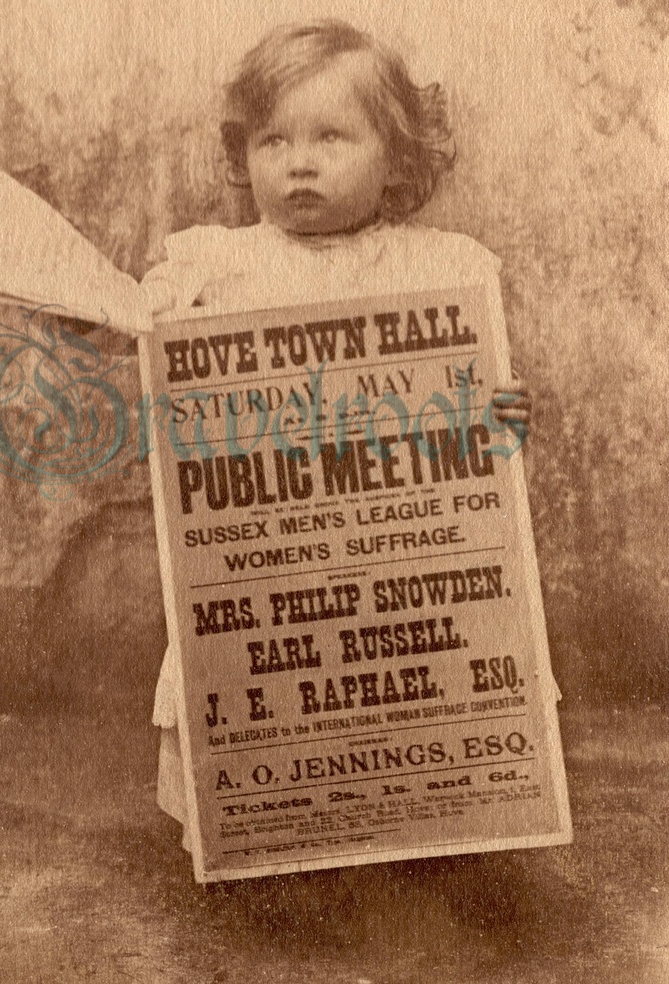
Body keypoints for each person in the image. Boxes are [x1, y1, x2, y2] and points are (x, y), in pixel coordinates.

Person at [139, 18, 532, 848]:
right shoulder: (212, 263)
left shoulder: (446, 268)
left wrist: (502, 418)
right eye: (271, 139)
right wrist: (140, 319)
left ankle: (415, 832)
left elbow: (480, 417)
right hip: (270, 558)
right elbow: (151, 338)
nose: (298, 161)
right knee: (262, 671)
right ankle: (265, 839)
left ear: (396, 156)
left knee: (414, 669)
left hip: (395, 562)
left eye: (330, 137)